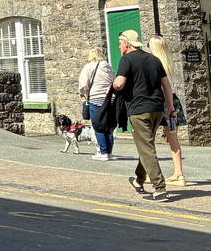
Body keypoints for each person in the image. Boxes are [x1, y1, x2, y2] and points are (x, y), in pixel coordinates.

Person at [112, 29, 175, 201]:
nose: (119, 46)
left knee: (146, 147)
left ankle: (160, 188)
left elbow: (119, 83)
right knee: (146, 145)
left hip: (139, 110)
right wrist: (170, 108)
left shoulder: (126, 59)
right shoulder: (154, 59)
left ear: (126, 43)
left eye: (120, 43)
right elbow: (166, 85)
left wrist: (114, 87)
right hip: (157, 109)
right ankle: (139, 180)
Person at [149, 34, 186, 186]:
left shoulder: (155, 64)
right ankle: (179, 174)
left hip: (161, 102)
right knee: (173, 140)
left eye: (149, 45)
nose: (148, 48)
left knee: (147, 138)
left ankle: (148, 172)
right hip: (173, 101)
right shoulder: (168, 63)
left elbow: (163, 87)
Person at [78, 48, 115, 160]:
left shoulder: (88, 67)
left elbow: (83, 85)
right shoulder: (108, 66)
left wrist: (82, 93)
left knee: (98, 126)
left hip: (95, 99)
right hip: (109, 99)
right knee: (108, 126)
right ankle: (109, 152)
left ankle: (103, 152)